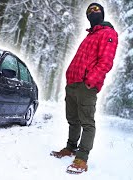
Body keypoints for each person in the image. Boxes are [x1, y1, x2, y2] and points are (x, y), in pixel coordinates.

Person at [50, 3, 118, 174]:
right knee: (72, 119)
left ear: (102, 14)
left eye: (96, 10)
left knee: (87, 122)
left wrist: (91, 80)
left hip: (86, 85)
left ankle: (81, 158)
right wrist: (68, 76)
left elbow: (106, 61)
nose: (92, 12)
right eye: (89, 11)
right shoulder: (89, 36)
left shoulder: (108, 33)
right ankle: (70, 148)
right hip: (73, 82)